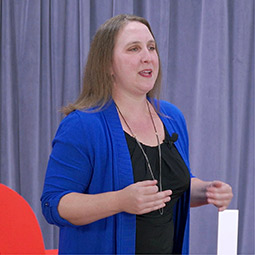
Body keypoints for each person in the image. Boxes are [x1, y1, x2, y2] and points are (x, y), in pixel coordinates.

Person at [41, 14, 233, 254]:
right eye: (134, 49)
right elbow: (54, 204)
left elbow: (167, 189)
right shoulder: (82, 125)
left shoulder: (172, 118)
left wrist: (205, 190)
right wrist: (119, 201)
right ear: (107, 65)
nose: (147, 57)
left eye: (151, 47)